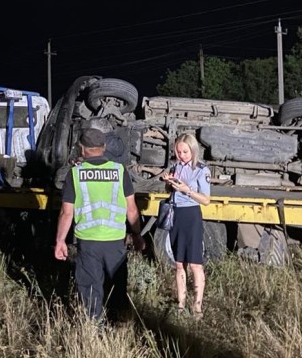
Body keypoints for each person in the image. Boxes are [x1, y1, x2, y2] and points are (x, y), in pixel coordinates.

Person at [54, 127, 145, 322]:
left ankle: (94, 327)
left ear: (82, 149)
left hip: (88, 241)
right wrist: (137, 235)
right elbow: (132, 210)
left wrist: (60, 240)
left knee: (90, 287)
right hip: (115, 241)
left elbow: (66, 212)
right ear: (103, 147)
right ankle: (116, 325)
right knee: (116, 286)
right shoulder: (119, 171)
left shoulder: (75, 174)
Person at [162, 132, 211, 317]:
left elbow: (206, 200)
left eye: (185, 152)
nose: (181, 155)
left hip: (191, 215)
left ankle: (197, 306)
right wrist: (169, 183)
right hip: (176, 214)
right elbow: (171, 191)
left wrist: (187, 190)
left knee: (195, 264)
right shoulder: (176, 167)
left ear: (193, 150)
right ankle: (180, 304)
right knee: (179, 263)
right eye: (178, 151)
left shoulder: (201, 170)